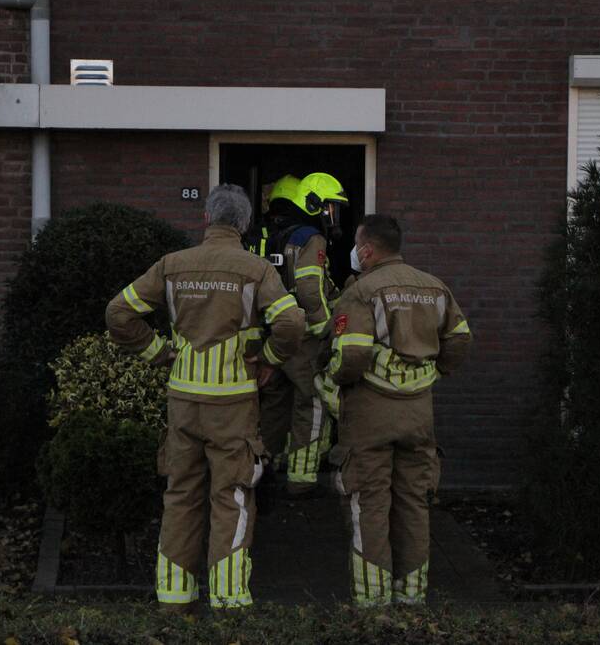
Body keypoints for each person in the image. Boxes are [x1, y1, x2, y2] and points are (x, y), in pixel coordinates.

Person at [106, 184, 305, 611]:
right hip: (233, 405)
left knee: (180, 494)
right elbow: (291, 322)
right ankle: (229, 600)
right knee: (231, 496)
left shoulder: (171, 265)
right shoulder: (256, 270)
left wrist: (159, 353)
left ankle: (174, 599)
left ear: (206, 220)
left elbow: (118, 314)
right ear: (245, 225)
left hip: (183, 403)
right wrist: (269, 358)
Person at [315, 214, 472, 607]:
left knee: (369, 503)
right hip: (419, 417)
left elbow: (351, 355)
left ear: (366, 250)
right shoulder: (434, 287)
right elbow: (460, 340)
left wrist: (331, 376)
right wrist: (435, 370)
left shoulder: (362, 291)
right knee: (414, 503)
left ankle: (374, 602)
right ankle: (412, 597)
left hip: (370, 418)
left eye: (355, 244)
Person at [258, 172, 349, 497]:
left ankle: (264, 468)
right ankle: (301, 479)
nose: (331, 215)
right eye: (327, 207)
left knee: (273, 405)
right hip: (304, 339)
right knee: (310, 405)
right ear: (311, 203)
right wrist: (325, 326)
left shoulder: (270, 234)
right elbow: (310, 289)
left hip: (273, 334)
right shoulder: (311, 238)